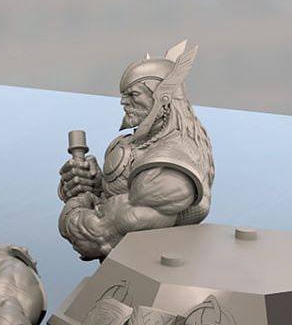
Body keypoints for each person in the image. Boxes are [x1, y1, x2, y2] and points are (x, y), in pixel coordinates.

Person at [58, 41, 215, 259]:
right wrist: (90, 183)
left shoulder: (171, 167)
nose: (123, 102)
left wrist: (76, 204)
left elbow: (97, 236)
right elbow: (111, 199)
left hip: (152, 270)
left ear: (162, 98)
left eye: (133, 95)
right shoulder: (129, 145)